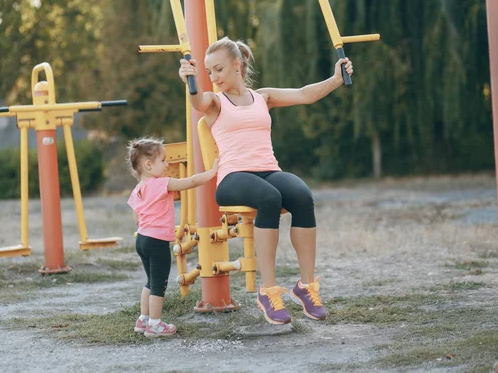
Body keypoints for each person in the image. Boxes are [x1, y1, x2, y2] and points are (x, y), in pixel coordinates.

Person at [178, 37, 354, 325]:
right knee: (269, 198)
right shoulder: (215, 102)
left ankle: (306, 287)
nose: (214, 77)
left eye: (218, 69)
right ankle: (268, 291)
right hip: (233, 177)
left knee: (301, 195)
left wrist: (336, 79)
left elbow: (305, 94)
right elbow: (198, 102)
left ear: (237, 64)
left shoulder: (263, 97)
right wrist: (190, 82)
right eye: (209, 72)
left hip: (267, 170)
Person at [127, 137, 218, 337]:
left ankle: (143, 320)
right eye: (163, 161)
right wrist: (212, 172)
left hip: (141, 239)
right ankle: (155, 325)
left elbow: (136, 219)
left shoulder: (137, 190)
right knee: (159, 285)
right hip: (157, 242)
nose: (168, 164)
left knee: (150, 282)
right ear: (149, 164)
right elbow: (191, 182)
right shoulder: (161, 184)